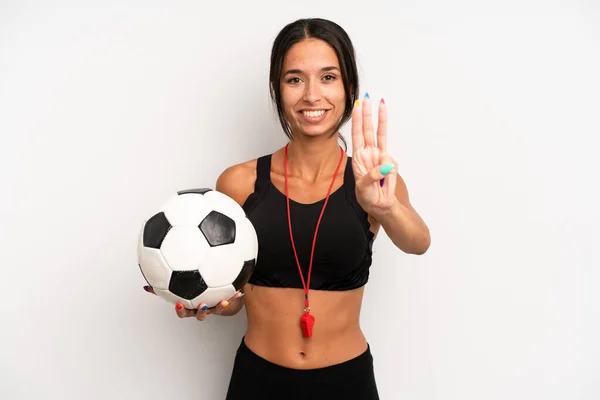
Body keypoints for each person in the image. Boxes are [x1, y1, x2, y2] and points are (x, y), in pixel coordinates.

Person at [144, 17, 430, 399]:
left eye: (328, 77)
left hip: (346, 382)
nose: (312, 95)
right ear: (278, 90)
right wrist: (212, 303)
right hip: (258, 380)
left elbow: (418, 242)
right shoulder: (239, 182)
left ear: (348, 87)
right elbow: (237, 293)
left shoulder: (372, 183)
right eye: (295, 79)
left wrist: (386, 206)